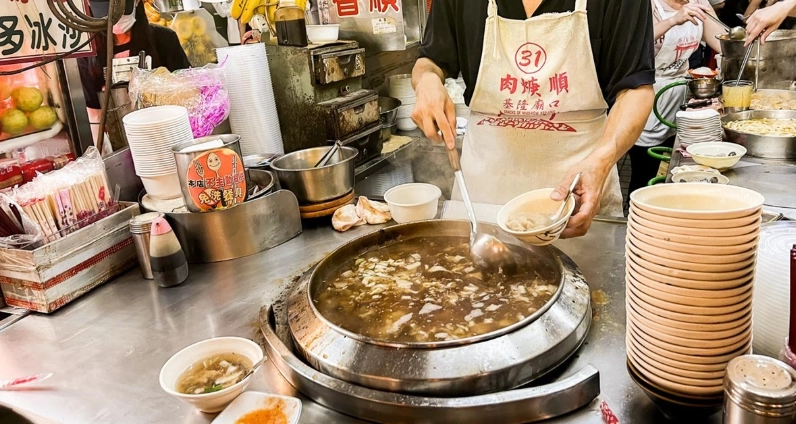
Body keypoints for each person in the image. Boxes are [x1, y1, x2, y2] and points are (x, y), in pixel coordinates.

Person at [413, 0, 655, 238]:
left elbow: (636, 88)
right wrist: (426, 80)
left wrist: (602, 161)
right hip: (481, 200)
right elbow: (430, 60)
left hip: (575, 200)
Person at [627, 0, 725, 197]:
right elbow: (631, 44)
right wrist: (673, 20)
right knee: (645, 166)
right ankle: (636, 210)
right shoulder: (645, 5)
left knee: (676, 164)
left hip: (680, 94)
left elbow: (724, 43)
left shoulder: (698, 2)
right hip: (645, 93)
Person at [78, 0, 190, 147]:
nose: (115, 19)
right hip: (118, 143)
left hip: (167, 135)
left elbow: (188, 91)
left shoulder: (164, 39)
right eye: (106, 13)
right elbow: (94, 111)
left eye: (121, 11)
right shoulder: (89, 54)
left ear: (136, 1)